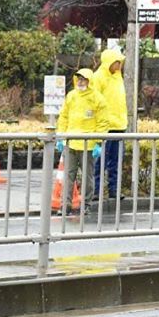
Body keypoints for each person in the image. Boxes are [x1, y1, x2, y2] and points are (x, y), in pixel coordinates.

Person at [56, 68, 109, 214]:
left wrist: (98, 141)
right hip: (71, 143)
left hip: (88, 145)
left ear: (89, 81)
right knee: (68, 176)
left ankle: (86, 204)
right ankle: (65, 205)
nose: (80, 81)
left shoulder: (97, 98)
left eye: (83, 79)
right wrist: (61, 136)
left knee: (87, 177)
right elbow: (64, 117)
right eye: (78, 78)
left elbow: (103, 122)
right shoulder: (71, 96)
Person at [90, 48, 127, 202]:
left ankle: (114, 190)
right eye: (116, 62)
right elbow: (94, 101)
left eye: (119, 62)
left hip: (119, 124)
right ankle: (96, 191)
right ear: (108, 62)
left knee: (116, 161)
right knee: (100, 161)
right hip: (104, 126)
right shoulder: (98, 77)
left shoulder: (118, 77)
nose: (119, 65)